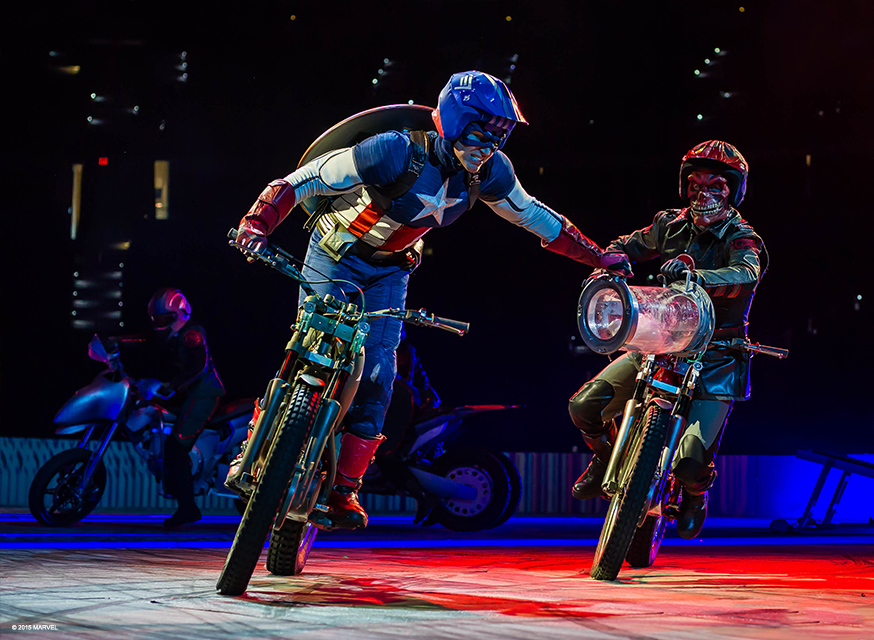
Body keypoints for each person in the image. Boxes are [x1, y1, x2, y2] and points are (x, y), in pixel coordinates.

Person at [228, 71, 629, 530]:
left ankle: (345, 489)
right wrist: (257, 222)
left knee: (378, 372)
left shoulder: (492, 173)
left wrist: (598, 256)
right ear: (456, 121)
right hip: (333, 256)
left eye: (499, 136)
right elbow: (306, 180)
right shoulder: (395, 149)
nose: (490, 147)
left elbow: (535, 217)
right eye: (482, 133)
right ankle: (252, 448)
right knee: (309, 348)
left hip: (389, 274)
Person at [567, 140, 766, 539]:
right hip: (662, 343)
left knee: (691, 462)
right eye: (695, 186)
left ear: (733, 190)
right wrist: (613, 262)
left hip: (718, 356)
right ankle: (605, 459)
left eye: (715, 187)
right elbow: (625, 244)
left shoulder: (743, 238)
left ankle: (694, 496)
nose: (703, 195)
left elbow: (746, 273)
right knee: (584, 407)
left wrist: (699, 279)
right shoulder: (668, 224)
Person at [136, 287, 226, 527]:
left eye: (165, 319)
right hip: (193, 394)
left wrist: (171, 386)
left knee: (176, 449)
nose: (160, 324)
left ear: (179, 314)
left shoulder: (191, 334)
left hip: (204, 394)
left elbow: (199, 367)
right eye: (157, 319)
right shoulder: (178, 337)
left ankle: (188, 508)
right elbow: (142, 341)